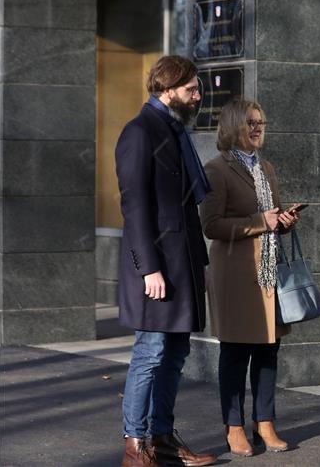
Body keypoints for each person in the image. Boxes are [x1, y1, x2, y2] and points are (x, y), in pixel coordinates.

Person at [115, 55, 217, 467]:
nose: (198, 97)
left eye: (198, 89)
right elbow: (134, 205)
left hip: (183, 262)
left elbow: (187, 208)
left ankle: (163, 438)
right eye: (192, 90)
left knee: (175, 353)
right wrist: (148, 268)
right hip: (156, 266)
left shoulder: (174, 130)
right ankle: (134, 447)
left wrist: (200, 267)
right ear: (167, 89)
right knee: (151, 351)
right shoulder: (140, 131)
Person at [200, 99, 299, 456]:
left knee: (269, 350)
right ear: (231, 127)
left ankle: (266, 422)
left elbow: (271, 217)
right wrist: (261, 222)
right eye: (250, 123)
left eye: (261, 122)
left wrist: (284, 221)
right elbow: (210, 225)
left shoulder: (266, 167)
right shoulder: (216, 170)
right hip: (236, 274)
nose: (257, 128)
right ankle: (234, 426)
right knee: (236, 353)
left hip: (268, 270)